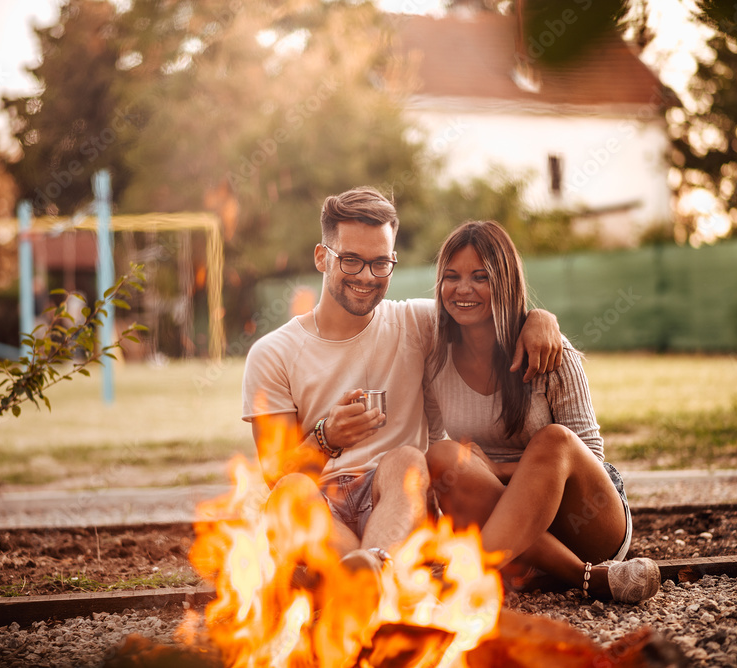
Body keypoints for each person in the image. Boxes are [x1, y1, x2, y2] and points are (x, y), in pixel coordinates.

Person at [241, 188, 563, 578]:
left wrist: (539, 318)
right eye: (352, 261)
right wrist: (328, 437)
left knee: (407, 459)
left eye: (380, 264)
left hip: (397, 502)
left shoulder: (417, 322)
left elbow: (484, 309)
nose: (366, 276)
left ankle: (366, 574)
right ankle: (375, 577)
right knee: (289, 492)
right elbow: (277, 474)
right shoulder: (272, 353)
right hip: (322, 507)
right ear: (322, 257)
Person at [425, 220, 660, 603]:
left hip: (584, 522)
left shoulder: (550, 351)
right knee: (442, 455)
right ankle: (585, 578)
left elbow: (590, 460)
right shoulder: (436, 357)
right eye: (451, 276)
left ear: (505, 283)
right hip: (505, 523)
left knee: (554, 440)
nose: (462, 289)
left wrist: (499, 470)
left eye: (480, 277)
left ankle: (464, 579)